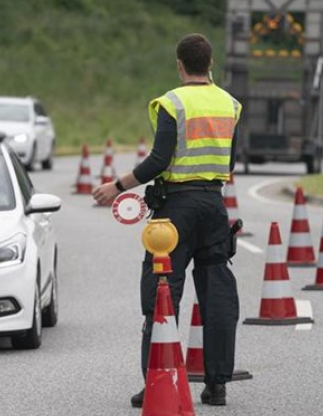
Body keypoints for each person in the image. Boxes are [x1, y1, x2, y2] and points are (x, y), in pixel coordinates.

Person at [92, 33, 241, 408]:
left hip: (176, 211)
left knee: (161, 294)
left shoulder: (172, 103)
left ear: (179, 65)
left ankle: (157, 382)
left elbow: (158, 161)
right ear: (211, 64)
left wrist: (117, 185)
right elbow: (231, 163)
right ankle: (217, 385)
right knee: (217, 296)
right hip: (213, 206)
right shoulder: (229, 105)